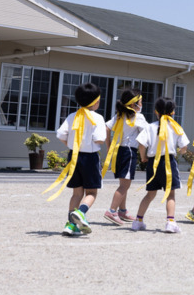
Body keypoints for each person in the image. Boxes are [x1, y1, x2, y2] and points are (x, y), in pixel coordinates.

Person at [47, 83, 107, 236]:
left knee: (76, 193)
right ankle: (81, 213)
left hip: (73, 157)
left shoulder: (71, 116)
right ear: (95, 102)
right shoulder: (98, 118)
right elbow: (100, 139)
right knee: (92, 192)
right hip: (90, 158)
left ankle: (71, 225)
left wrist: (72, 144)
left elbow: (61, 135)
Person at [130, 97, 189, 233]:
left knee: (150, 194)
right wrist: (181, 151)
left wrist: (143, 157)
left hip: (153, 162)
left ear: (156, 112)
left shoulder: (150, 127)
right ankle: (170, 222)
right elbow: (184, 146)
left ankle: (138, 221)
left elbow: (141, 143)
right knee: (170, 194)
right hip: (168, 162)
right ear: (172, 112)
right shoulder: (175, 126)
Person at [101, 87, 150, 225]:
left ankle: (122, 210)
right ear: (134, 104)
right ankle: (112, 210)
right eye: (140, 102)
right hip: (129, 152)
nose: (142, 104)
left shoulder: (119, 115)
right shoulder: (138, 116)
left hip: (119, 151)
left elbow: (107, 127)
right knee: (125, 185)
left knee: (123, 184)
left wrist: (109, 145)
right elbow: (148, 133)